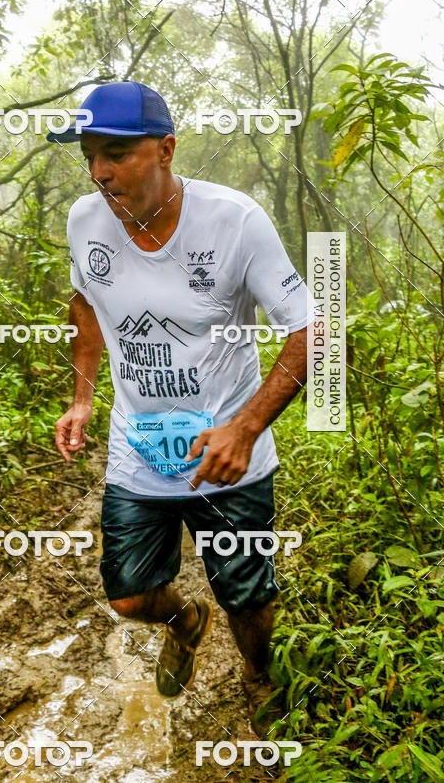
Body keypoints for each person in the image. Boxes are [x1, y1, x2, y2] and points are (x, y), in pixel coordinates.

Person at [49, 80, 308, 731]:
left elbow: (311, 329)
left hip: (228, 457)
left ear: (165, 149)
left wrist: (245, 429)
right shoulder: (85, 220)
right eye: (89, 156)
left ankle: (257, 674)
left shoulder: (234, 221)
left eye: (116, 154)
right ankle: (186, 620)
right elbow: (85, 305)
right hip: (138, 448)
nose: (100, 172)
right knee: (129, 595)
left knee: (246, 595)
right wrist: (82, 399)